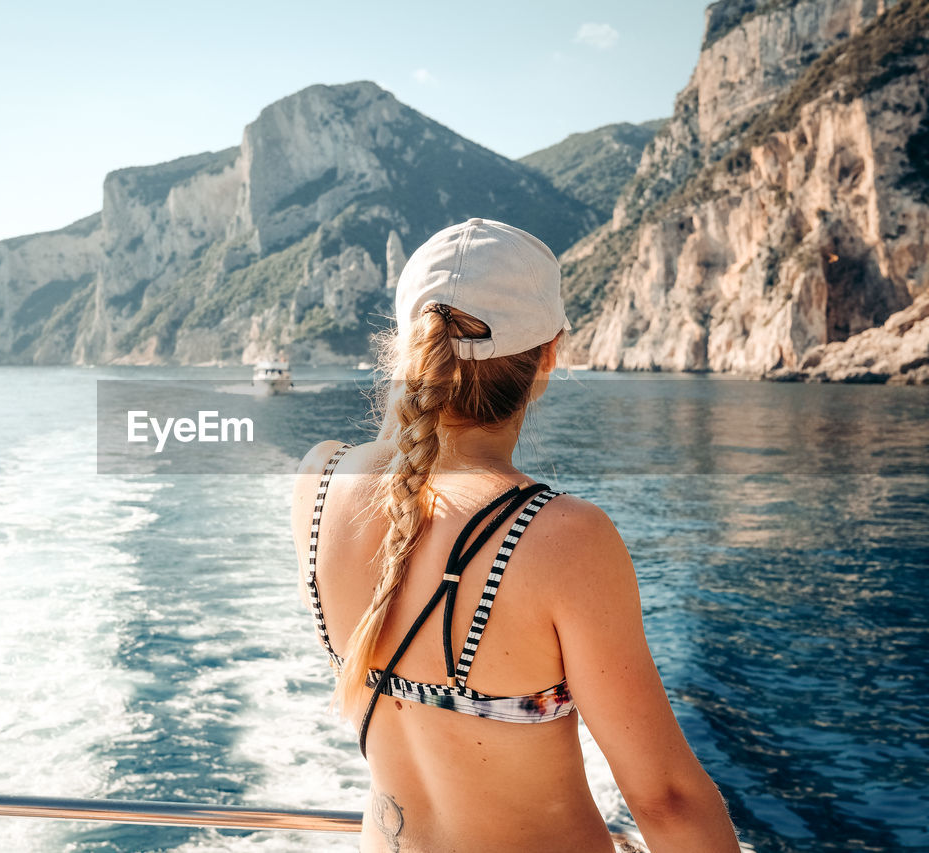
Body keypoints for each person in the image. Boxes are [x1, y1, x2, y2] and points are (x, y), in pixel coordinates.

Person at [291, 219, 741, 853]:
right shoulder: (563, 540)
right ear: (549, 356)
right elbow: (666, 800)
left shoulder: (321, 478)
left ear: (407, 345)